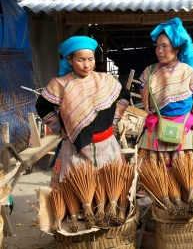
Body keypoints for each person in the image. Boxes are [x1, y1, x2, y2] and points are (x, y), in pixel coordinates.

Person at [35, 36, 131, 186]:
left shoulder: (105, 80)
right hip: (76, 151)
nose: (87, 65)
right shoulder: (60, 84)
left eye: (91, 59)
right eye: (81, 60)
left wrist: (114, 119)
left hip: (107, 147)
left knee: (110, 189)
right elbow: (42, 106)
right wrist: (60, 128)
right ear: (69, 60)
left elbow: (124, 95)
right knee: (79, 191)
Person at [137, 17, 193, 167]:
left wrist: (189, 119)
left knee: (185, 179)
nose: (160, 51)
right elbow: (145, 101)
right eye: (157, 46)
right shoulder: (149, 72)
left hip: (183, 132)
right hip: (155, 132)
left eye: (165, 46)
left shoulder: (190, 73)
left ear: (176, 49)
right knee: (154, 181)